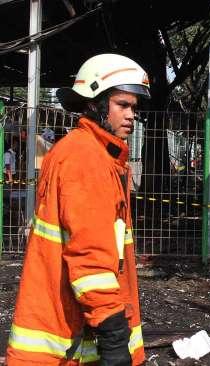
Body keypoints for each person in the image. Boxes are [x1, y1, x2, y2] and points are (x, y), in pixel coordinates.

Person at [6, 54, 150, 366]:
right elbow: (90, 258)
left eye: (134, 108)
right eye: (122, 104)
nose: (130, 115)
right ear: (95, 104)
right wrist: (113, 336)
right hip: (65, 340)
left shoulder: (91, 153)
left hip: (68, 331)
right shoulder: (87, 159)